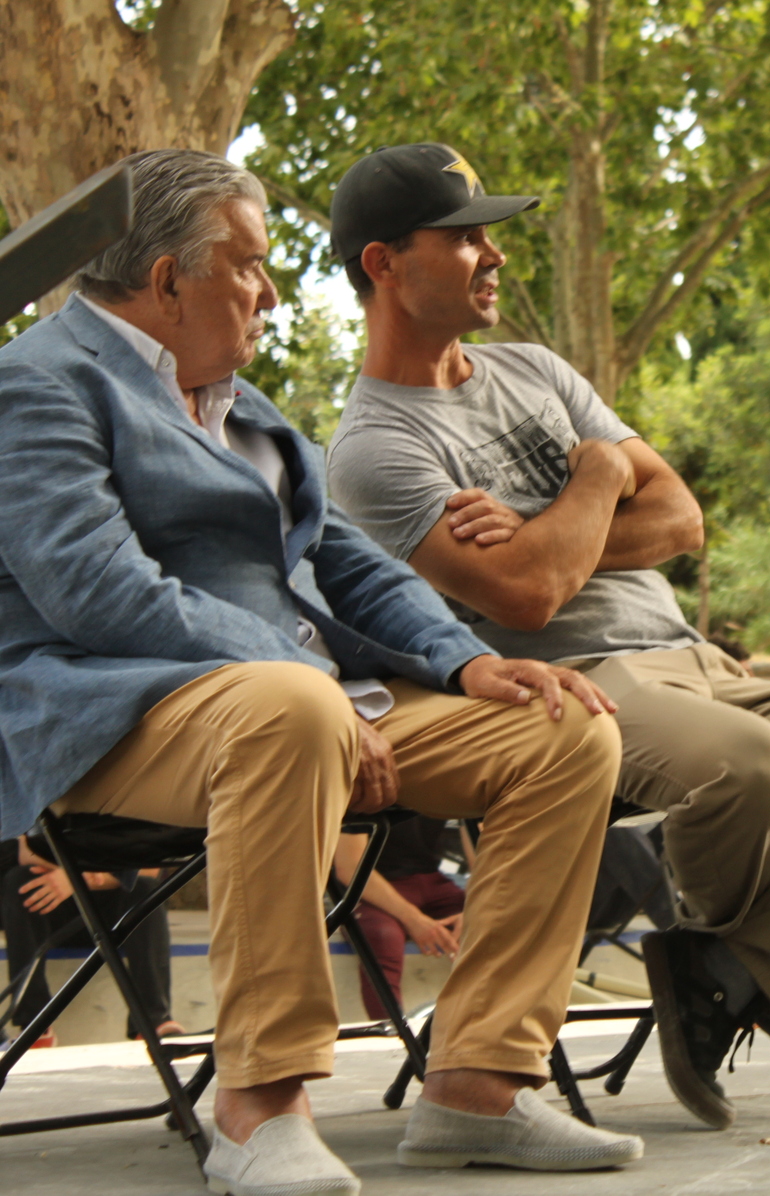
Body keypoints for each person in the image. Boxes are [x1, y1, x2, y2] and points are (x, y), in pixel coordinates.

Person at [0, 149, 642, 1195]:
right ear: (169, 280)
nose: (272, 289)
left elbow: (351, 561)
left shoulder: (243, 403)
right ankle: (260, 1103)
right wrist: (312, 684)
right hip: (111, 710)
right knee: (289, 705)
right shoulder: (37, 383)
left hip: (296, 701)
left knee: (560, 728)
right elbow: (94, 592)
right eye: (250, 264)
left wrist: (472, 659)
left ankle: (477, 1083)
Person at [322, 143, 770, 1132]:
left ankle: (743, 967)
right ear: (384, 264)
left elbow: (682, 519)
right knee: (743, 764)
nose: (493, 255)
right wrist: (592, 481)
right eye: (463, 237)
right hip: (574, 683)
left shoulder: (535, 370)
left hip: (699, 660)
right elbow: (529, 598)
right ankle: (767, 973)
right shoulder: (376, 447)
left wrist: (549, 531)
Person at [3, 840, 182, 1047]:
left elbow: (149, 869)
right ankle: (35, 1025)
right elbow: (28, 854)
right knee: (21, 880)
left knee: (145, 889)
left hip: (111, 913)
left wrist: (74, 877)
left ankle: (153, 1022)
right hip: (54, 905)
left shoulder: (136, 808)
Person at [333, 817, 470, 1021]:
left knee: (494, 921)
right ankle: (393, 1034)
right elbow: (350, 867)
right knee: (383, 936)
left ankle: (488, 1028)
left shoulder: (459, 786)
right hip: (371, 886)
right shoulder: (361, 786)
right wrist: (414, 919)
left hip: (431, 878)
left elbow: (486, 857)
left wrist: (474, 909)